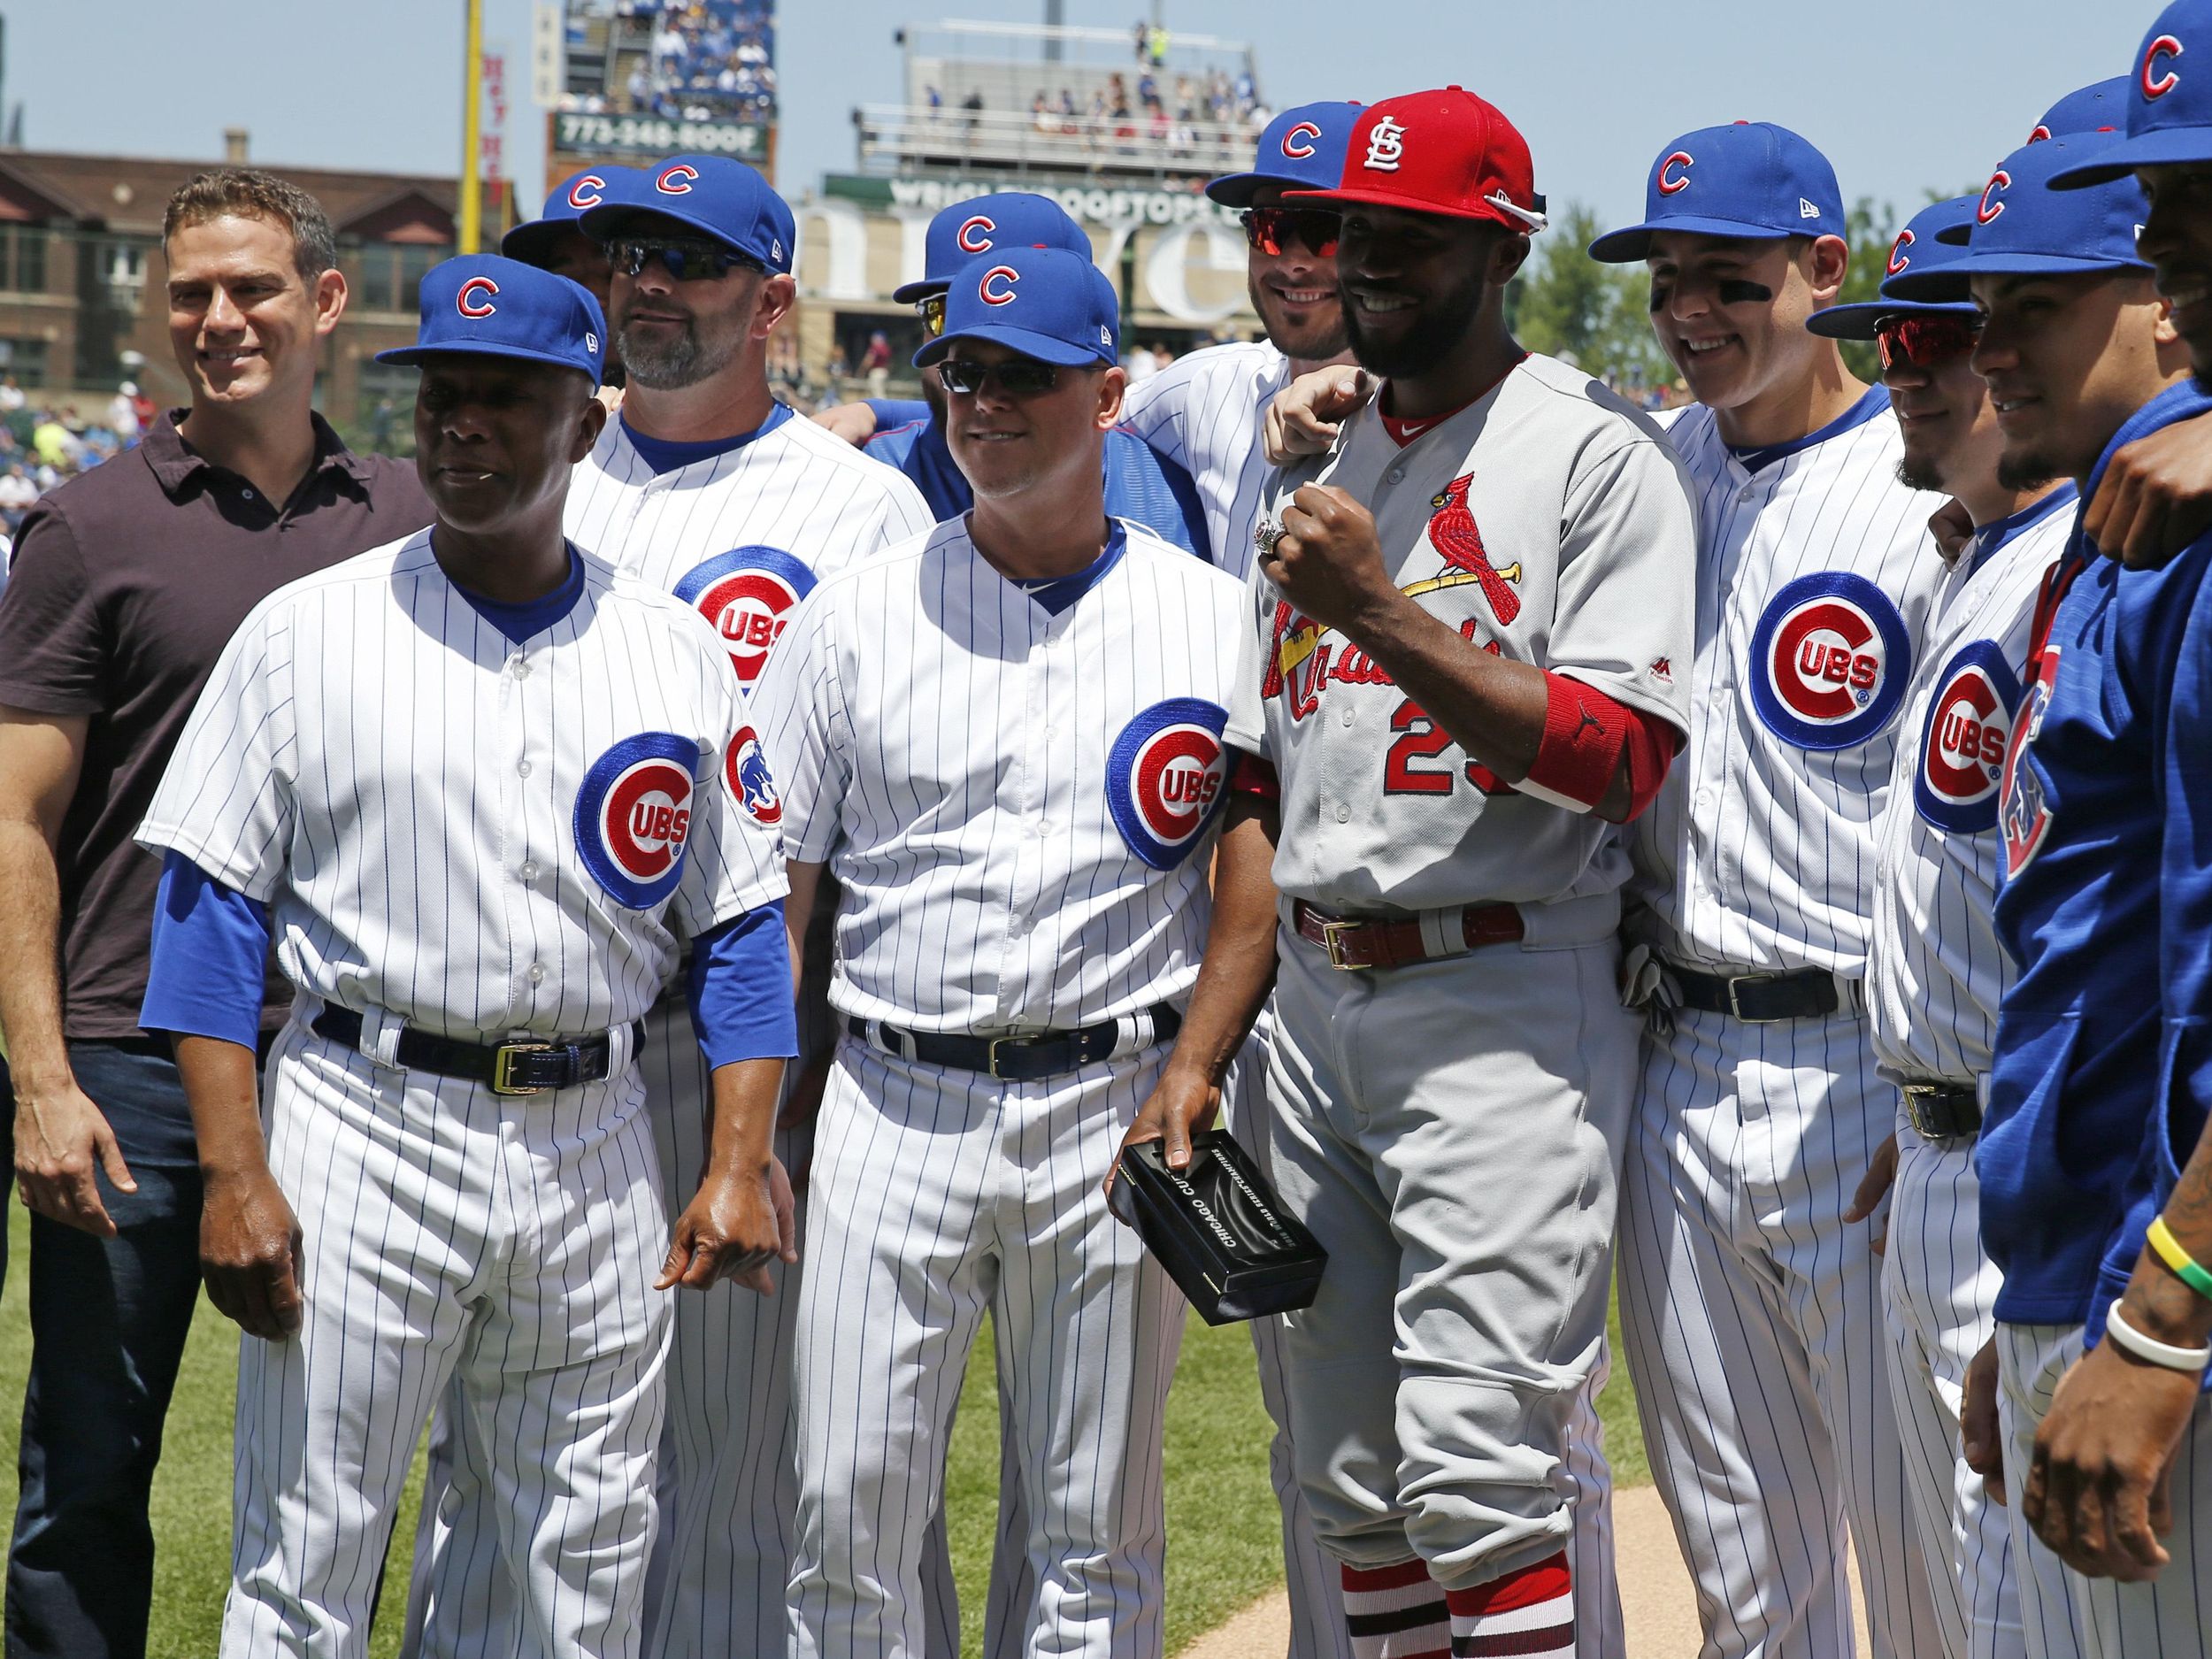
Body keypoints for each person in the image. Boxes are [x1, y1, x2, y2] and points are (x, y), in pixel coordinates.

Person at [136, 252, 796, 1659]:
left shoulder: (673, 651)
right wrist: (236, 1172)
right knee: (305, 1559)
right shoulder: (304, 631)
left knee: (578, 1568)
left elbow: (738, 929)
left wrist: (738, 1159)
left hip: (597, 1138)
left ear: (588, 426)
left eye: (506, 398)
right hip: (363, 1119)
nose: (465, 425)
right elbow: (206, 919)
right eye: (443, 394)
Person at [1152, 88, 1694, 1659]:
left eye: (1406, 236)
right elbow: (1264, 773)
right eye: (1342, 230)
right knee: (1351, 1483)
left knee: (1481, 1479)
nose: (1361, 260)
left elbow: (1621, 758)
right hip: (1318, 999)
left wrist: (1384, 610)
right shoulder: (1325, 452)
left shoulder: (1594, 455)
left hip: (1503, 994)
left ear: (1500, 247)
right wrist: (1209, 1045)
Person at [403, 156, 941, 1659]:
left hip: (736, 1040)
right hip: (517, 1029)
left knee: (738, 1466)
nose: (643, 281)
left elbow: (883, 806)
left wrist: (801, 1093)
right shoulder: (532, 451)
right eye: (626, 253)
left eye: (688, 260)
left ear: (771, 300)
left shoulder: (860, 509)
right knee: (496, 1454)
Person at [757, 242, 1244, 1659]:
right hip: (890, 1099)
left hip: (1112, 1101)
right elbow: (777, 907)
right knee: (845, 1524)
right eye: (960, 368)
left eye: (1023, 373)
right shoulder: (844, 618)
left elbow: (1249, 884)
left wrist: (1201, 1066)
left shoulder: (1211, 615)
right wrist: (755, 1130)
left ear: (1107, 393)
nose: (982, 399)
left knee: (1097, 1539)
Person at [0, 168, 432, 1659]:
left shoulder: (408, 517)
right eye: (190, 292)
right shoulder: (87, 528)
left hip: (340, 1058)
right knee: (89, 1469)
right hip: (128, 1058)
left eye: (252, 288)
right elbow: (17, 820)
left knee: (341, 1467)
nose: (220, 318)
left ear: (327, 306)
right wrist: (42, 1080)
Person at [1580, 119, 1958, 1659]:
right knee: (1740, 1564)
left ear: (1824, 269)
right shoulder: (1643, 472)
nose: (1691, 315)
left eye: (1729, 281)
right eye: (1669, 281)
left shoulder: (1919, 483)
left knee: (1923, 1547)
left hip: (1859, 1075)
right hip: (1676, 1061)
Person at [1948, 24, 2212, 1641]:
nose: (1985, 352)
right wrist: (2053, 1304)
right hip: (2101, 1266)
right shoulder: (2138, 518)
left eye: (2034, 302)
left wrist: (2165, 1319)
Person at [1807, 192, 2078, 1659]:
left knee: (2026, 1614)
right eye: (1884, 342)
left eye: (1934, 339)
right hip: (1925, 1151)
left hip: (2021, 1170)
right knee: (1940, 1619)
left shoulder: (2082, 566)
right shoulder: (1971, 555)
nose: (1900, 370)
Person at [810, 193, 1214, 559]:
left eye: (1021, 322)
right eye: (944, 313)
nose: (986, 392)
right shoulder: (869, 473)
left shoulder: (1168, 488)